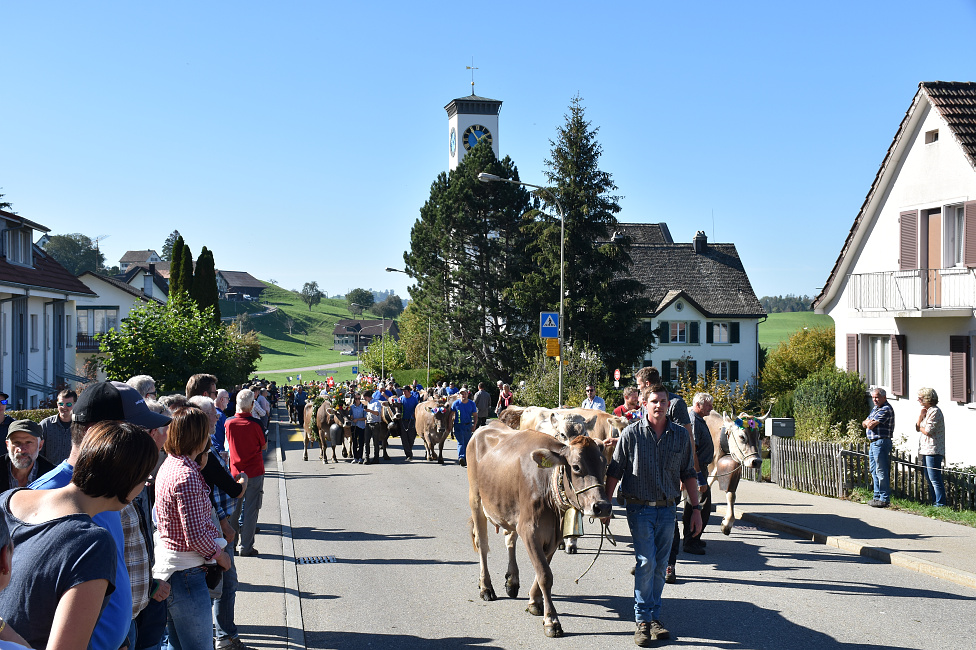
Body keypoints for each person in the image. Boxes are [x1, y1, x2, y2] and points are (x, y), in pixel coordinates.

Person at [29, 381, 171, 650]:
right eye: (138, 431)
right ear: (100, 432)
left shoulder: (109, 486)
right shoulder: (45, 494)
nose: (149, 440)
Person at [0, 420, 159, 650]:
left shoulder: (8, 499)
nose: (145, 485)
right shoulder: (91, 543)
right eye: (145, 478)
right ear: (129, 480)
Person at [604, 385, 701, 646]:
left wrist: (697, 510)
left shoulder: (680, 436)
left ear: (669, 404)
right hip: (639, 508)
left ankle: (654, 618)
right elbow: (615, 469)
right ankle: (643, 621)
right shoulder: (631, 434)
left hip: (668, 509)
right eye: (654, 401)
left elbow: (689, 474)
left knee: (660, 566)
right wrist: (607, 504)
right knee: (645, 562)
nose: (659, 405)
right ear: (644, 404)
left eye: (663, 401)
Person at [153, 407, 233, 650]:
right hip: (187, 572)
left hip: (175, 569)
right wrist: (221, 557)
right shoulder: (186, 475)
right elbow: (196, 535)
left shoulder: (171, 464)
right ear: (198, 437)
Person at [667, 393, 715, 580]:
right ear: (698, 405)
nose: (711, 408)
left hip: (698, 468)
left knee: (699, 504)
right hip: (695, 469)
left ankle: (693, 538)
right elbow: (691, 447)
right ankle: (690, 540)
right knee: (696, 504)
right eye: (708, 405)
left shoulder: (697, 419)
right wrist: (696, 474)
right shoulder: (693, 420)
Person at [226, 390, 266, 557]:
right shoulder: (256, 425)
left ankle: (232, 544)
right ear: (251, 405)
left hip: (235, 471)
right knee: (251, 510)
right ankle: (246, 547)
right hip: (254, 472)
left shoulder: (228, 423)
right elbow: (263, 446)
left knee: (234, 509)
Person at [0, 420, 55, 492]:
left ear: (40, 445)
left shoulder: (52, 476)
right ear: (7, 445)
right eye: (16, 442)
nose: (22, 450)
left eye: (28, 442)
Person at [863, 387, 894, 508]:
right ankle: (877, 496)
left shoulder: (886, 409)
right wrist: (867, 422)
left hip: (881, 442)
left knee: (881, 471)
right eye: (873, 397)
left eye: (877, 397)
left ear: (884, 397)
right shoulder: (876, 408)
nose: (875, 400)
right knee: (874, 470)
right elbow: (864, 422)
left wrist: (868, 422)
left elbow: (870, 425)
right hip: (874, 442)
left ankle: (884, 498)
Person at [915, 387, 947, 508]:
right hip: (925, 449)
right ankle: (935, 502)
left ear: (928, 398)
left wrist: (921, 427)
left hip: (933, 450)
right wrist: (920, 416)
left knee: (935, 479)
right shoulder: (927, 411)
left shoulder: (935, 411)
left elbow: (928, 431)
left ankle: (940, 504)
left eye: (921, 398)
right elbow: (917, 428)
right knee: (929, 479)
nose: (918, 400)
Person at [38, 388, 76, 465]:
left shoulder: (81, 426)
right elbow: (38, 452)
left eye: (68, 404)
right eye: (61, 404)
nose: (64, 407)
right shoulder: (45, 425)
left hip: (73, 473)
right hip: (50, 473)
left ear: (75, 405)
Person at [451, 388, 478, 467]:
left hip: (468, 425)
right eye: (462, 394)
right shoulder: (456, 404)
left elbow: (475, 415)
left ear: (467, 394)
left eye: (465, 394)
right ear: (459, 395)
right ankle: (461, 457)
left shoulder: (472, 404)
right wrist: (450, 425)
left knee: (467, 443)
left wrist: (474, 425)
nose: (464, 395)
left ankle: (466, 458)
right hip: (458, 425)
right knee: (460, 442)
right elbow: (451, 414)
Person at [348, 393, 368, 464]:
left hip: (361, 426)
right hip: (354, 426)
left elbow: (366, 417)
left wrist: (358, 419)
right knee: (354, 442)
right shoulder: (352, 407)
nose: (357, 400)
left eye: (359, 398)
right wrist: (351, 416)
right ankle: (355, 457)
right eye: (356, 399)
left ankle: (360, 457)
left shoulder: (363, 406)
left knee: (361, 442)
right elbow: (349, 415)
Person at [365, 392, 384, 465]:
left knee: (375, 442)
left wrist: (369, 411)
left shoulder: (376, 403)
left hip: (375, 423)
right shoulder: (368, 403)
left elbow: (377, 413)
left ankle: (376, 458)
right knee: (366, 441)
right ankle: (367, 457)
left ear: (367, 397)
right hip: (368, 422)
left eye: (365, 397)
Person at [400, 386, 419, 460]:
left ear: (409, 391)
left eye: (405, 391)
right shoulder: (401, 398)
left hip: (412, 421)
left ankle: (409, 450)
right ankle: (408, 455)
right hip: (403, 421)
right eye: (403, 391)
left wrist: (415, 414)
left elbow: (417, 408)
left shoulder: (414, 399)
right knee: (404, 439)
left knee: (411, 438)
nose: (404, 392)